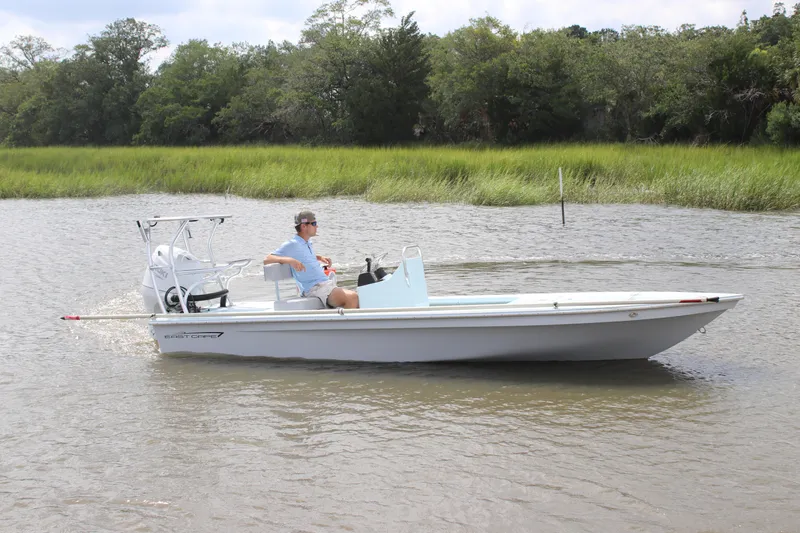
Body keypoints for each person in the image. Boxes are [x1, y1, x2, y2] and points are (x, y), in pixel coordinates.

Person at [264, 210, 359, 309]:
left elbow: (303, 255)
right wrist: (290, 260)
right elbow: (267, 259)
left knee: (360, 298)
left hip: (324, 284)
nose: (316, 226)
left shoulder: (307, 242)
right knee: (352, 297)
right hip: (314, 288)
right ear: (303, 226)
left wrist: (318, 257)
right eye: (314, 223)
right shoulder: (292, 244)